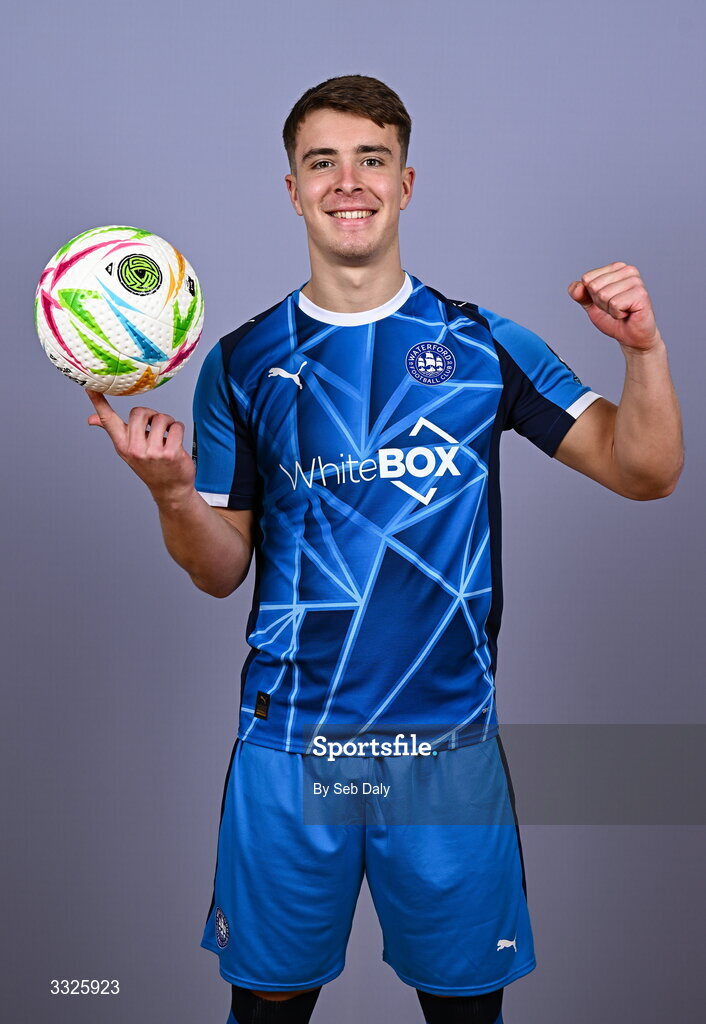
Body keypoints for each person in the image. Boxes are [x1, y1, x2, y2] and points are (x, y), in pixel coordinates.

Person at [86, 75, 684, 1024]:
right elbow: (218, 570)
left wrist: (645, 352)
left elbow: (644, 471)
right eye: (323, 162)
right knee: (270, 1008)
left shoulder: (485, 344)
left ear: (407, 182)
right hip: (291, 750)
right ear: (292, 188)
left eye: (372, 159)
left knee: (462, 1012)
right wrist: (169, 492)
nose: (348, 181)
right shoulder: (240, 363)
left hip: (445, 749)